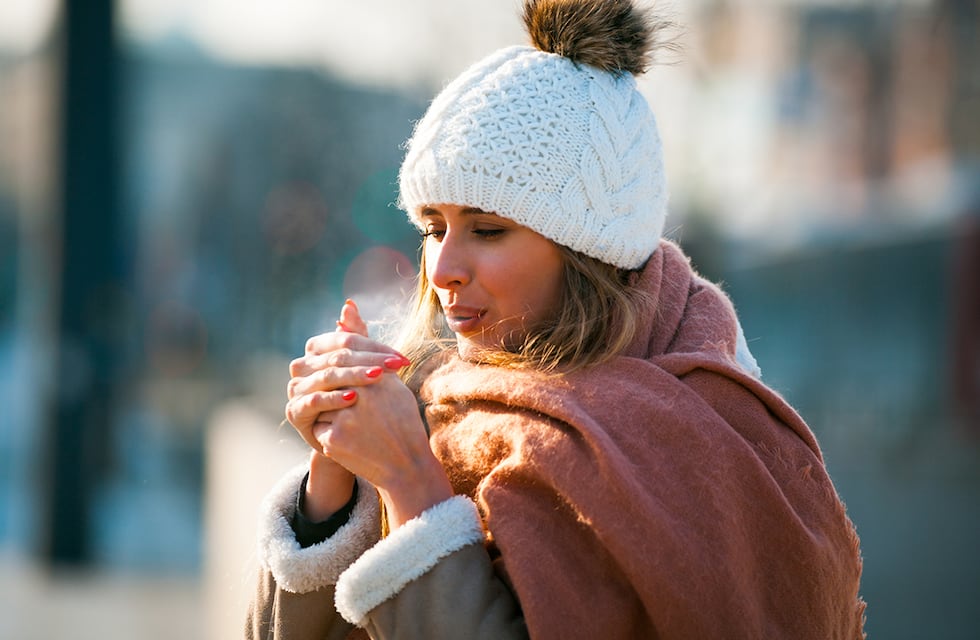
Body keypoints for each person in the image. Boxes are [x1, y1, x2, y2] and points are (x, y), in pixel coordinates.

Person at [246, 1, 866, 638]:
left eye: (488, 229)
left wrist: (408, 480)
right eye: (433, 228)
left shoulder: (701, 438)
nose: (442, 269)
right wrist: (336, 476)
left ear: (585, 254)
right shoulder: (429, 401)